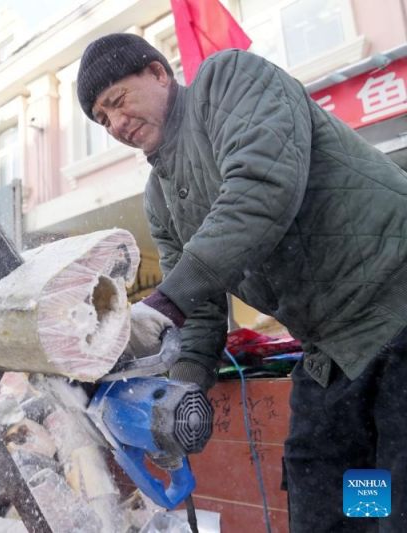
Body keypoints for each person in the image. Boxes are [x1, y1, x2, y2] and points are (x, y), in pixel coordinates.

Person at [77, 33, 407, 532]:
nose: (116, 124)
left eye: (118, 101)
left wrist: (164, 303)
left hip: (397, 305)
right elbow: (201, 306)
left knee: (398, 494)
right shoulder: (159, 197)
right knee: (338, 490)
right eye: (103, 119)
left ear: (158, 73)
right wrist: (178, 394)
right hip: (336, 350)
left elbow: (261, 188)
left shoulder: (229, 81)